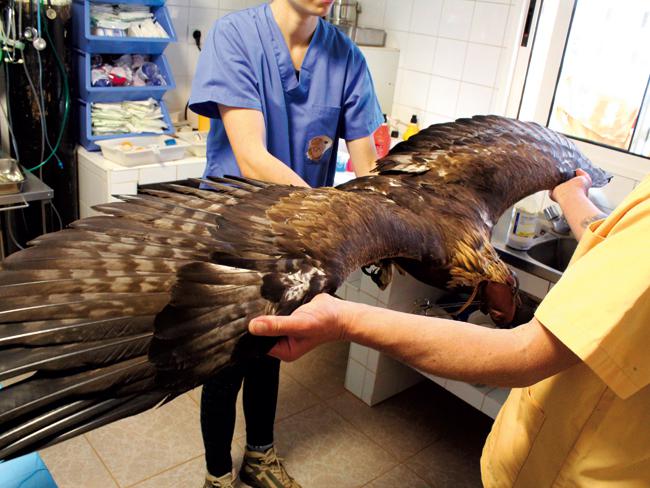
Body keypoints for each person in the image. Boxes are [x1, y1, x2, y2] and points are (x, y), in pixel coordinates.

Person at [249, 169, 650, 486]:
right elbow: (612, 240)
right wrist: (570, 194)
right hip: (543, 458)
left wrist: (346, 318)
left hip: (581, 473)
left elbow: (524, 353)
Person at [188, 0, 383, 486]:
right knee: (225, 360)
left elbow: (369, 167)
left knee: (272, 350)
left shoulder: (346, 58)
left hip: (296, 242)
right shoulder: (234, 37)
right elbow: (251, 156)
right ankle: (217, 475)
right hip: (237, 232)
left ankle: (259, 456)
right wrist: (332, 218)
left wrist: (389, 222)